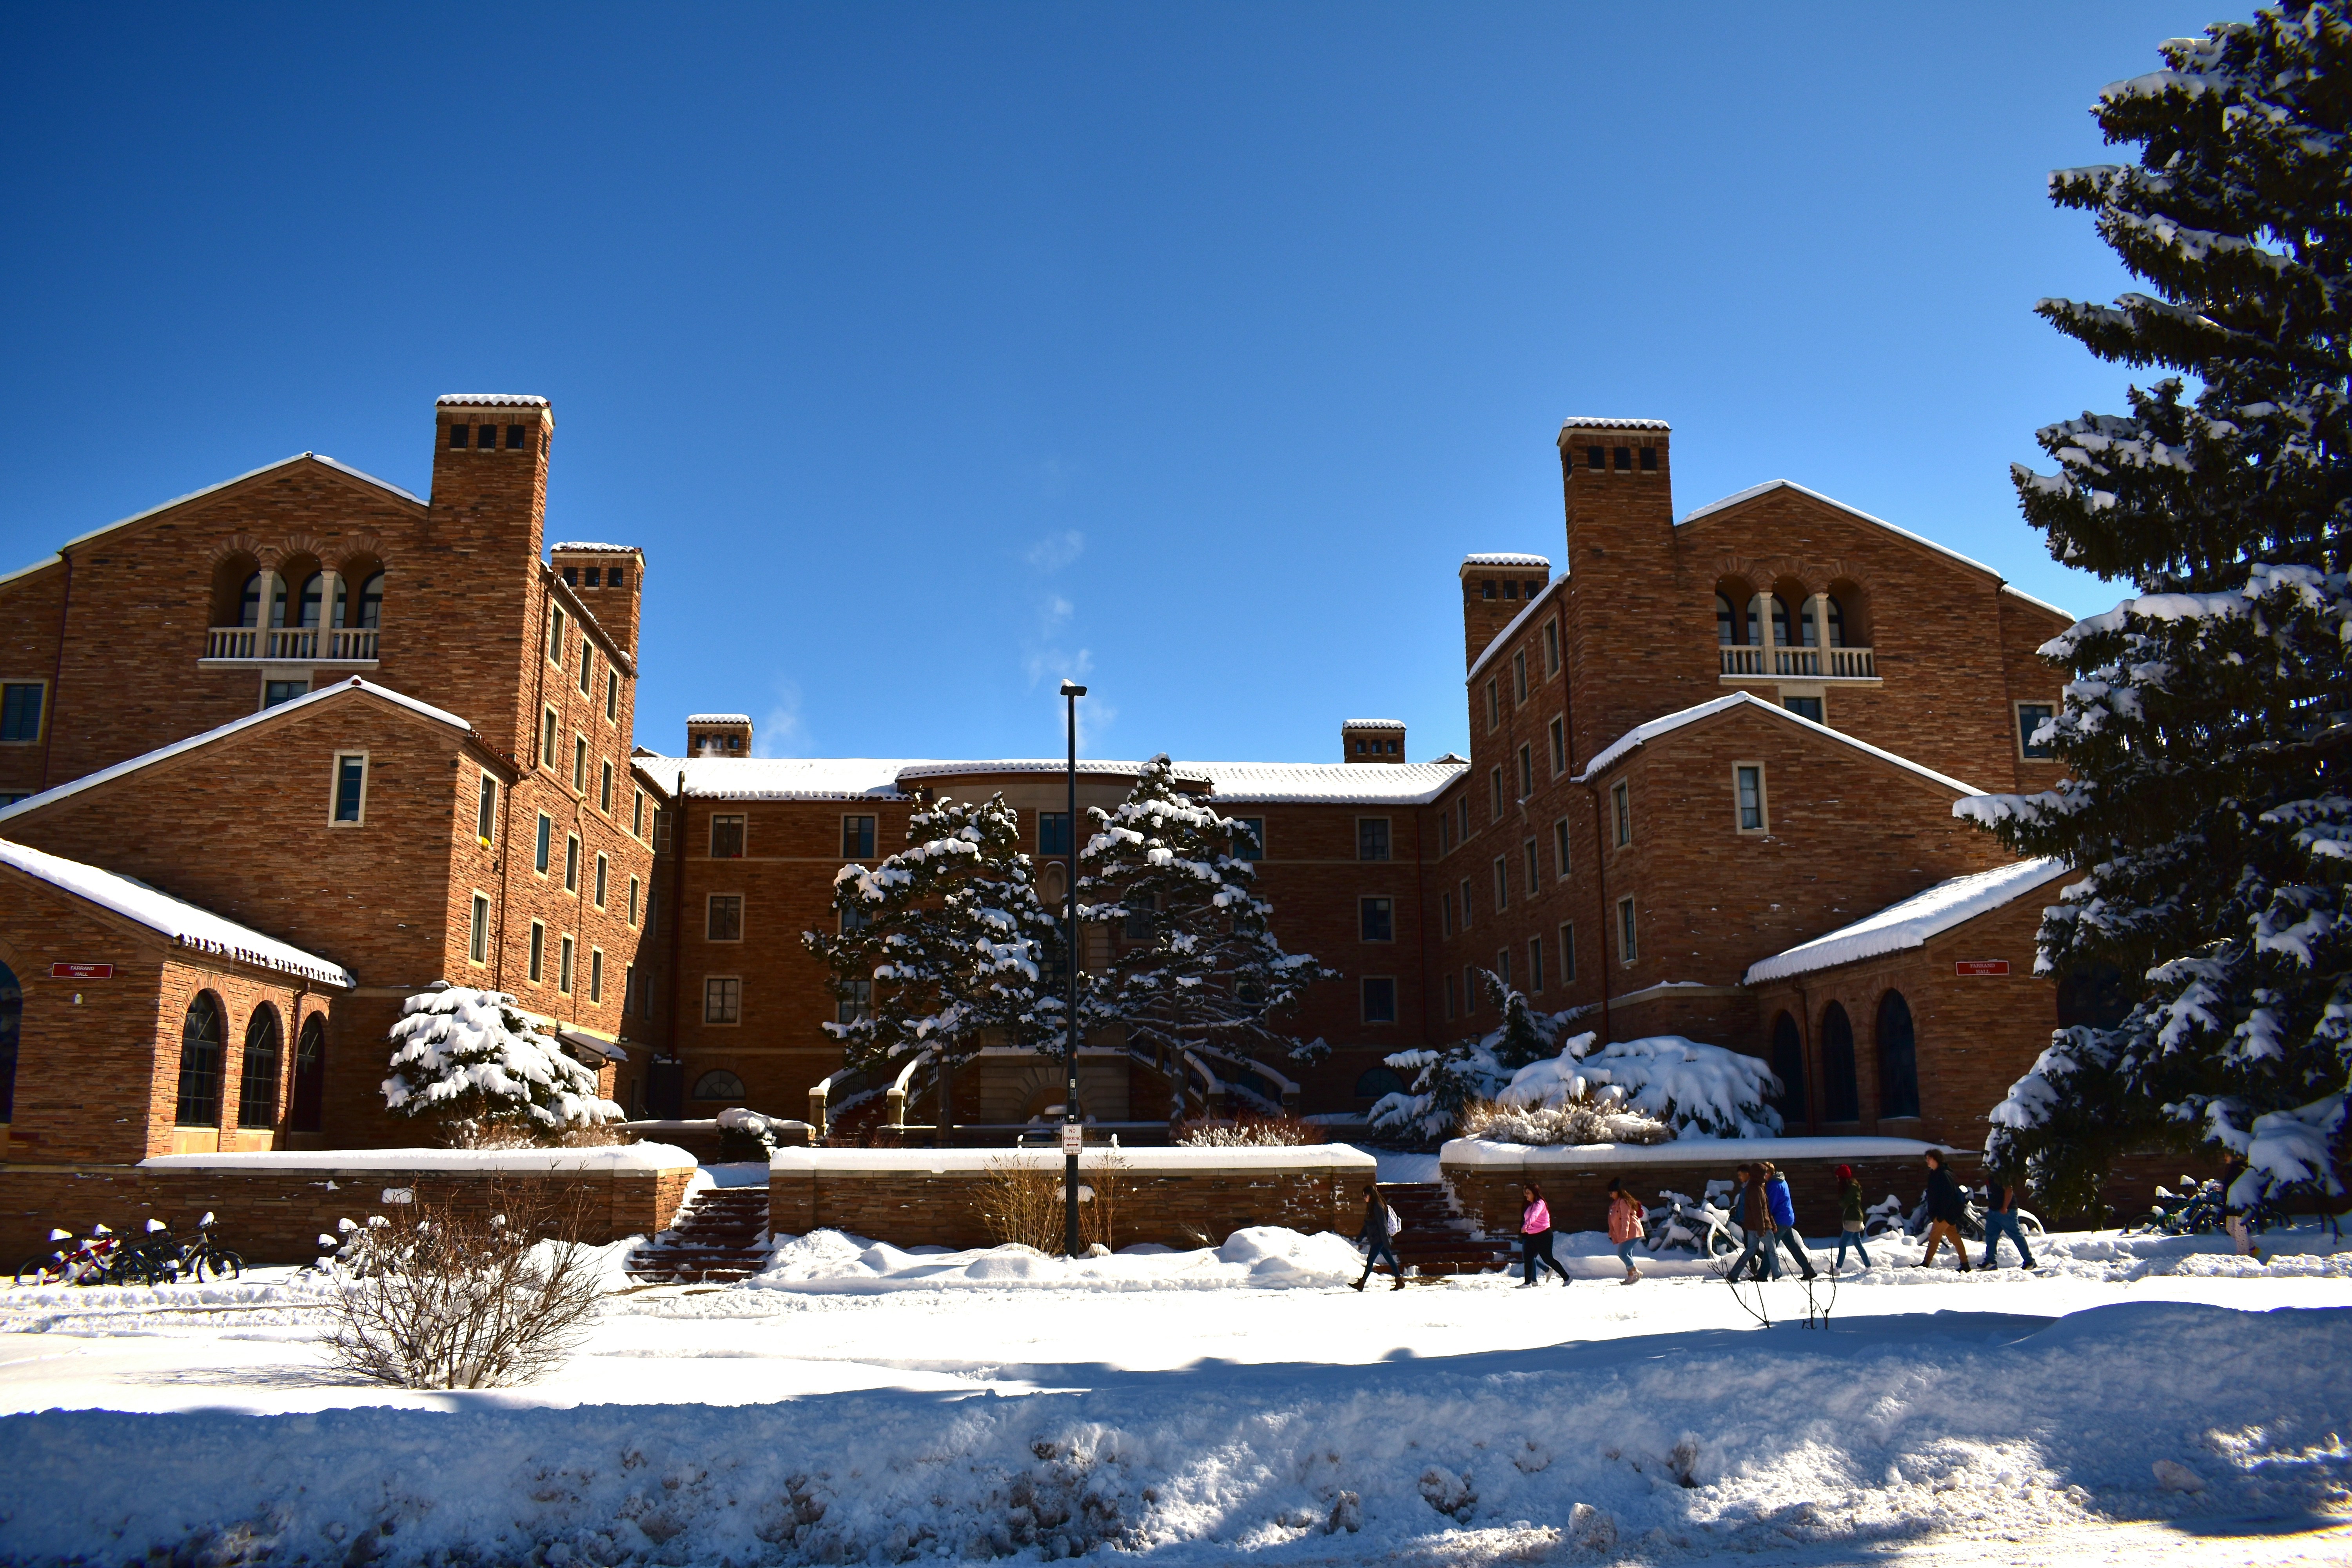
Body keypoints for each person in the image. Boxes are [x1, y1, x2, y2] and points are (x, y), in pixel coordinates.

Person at [1762, 1161, 1818, 1281]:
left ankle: (1762, 1275)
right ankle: (1809, 1271)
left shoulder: (1773, 1185)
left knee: (1770, 1248)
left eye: (1764, 1173)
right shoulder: (1782, 1181)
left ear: (1769, 1173)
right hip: (1787, 1218)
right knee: (1793, 1247)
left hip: (1779, 1220)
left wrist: (1766, 1218)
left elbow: (1770, 1205)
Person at [1918, 1149, 1972, 1272]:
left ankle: (1925, 1264)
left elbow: (1947, 1196)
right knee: (1955, 1238)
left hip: (1945, 1214)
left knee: (1934, 1238)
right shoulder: (1935, 1174)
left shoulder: (1943, 1175)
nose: (1928, 1161)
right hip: (1944, 1214)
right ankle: (1965, 1264)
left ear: (1937, 1159)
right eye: (1927, 1159)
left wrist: (1941, 1214)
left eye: (1930, 1159)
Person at [1730, 1162, 1780, 1283]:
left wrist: (1772, 1224)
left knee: (1750, 1250)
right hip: (1761, 1226)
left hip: (1753, 1226)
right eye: (1765, 1174)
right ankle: (1777, 1274)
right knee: (1772, 1250)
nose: (1766, 1176)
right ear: (1759, 1174)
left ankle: (1733, 1274)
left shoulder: (1756, 1187)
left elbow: (1765, 1208)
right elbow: (1759, 1211)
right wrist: (1762, 1229)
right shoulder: (1756, 1189)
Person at [1980, 1169, 2038, 1270]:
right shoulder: (1991, 1175)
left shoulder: (2001, 1173)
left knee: (2016, 1235)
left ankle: (2030, 1261)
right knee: (1991, 1236)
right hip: (1994, 1211)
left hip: (2006, 1212)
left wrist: (2005, 1207)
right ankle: (1990, 1261)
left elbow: (2009, 1190)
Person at [1352, 1182, 1405, 1292]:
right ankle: (1399, 1281)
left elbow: (1383, 1225)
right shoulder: (1371, 1207)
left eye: (1365, 1196)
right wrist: (1360, 1237)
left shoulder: (1378, 1207)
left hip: (1379, 1238)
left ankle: (1361, 1284)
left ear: (1371, 1195)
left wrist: (1385, 1241)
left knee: (1370, 1260)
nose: (1364, 1198)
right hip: (1376, 1238)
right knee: (1389, 1259)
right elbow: (1367, 1224)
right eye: (1363, 1196)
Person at [1519, 1181, 1572, 1286]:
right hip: (1532, 1235)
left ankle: (1567, 1278)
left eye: (1528, 1193)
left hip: (1544, 1235)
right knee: (1528, 1257)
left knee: (1548, 1259)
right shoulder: (1531, 1205)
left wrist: (1526, 1226)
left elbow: (1534, 1216)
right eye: (1525, 1193)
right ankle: (1528, 1283)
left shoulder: (1540, 1203)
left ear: (1535, 1193)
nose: (1526, 1195)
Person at [1832, 1164, 1872, 1273]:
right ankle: (1869, 1268)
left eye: (1839, 1177)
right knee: (1858, 1244)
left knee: (1842, 1244)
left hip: (1853, 1219)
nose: (1837, 1179)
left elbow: (1844, 1203)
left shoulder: (1851, 1188)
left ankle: (1838, 1269)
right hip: (1855, 1218)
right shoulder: (1853, 1187)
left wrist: (1842, 1200)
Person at [2220, 1152, 2258, 1259]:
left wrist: (2225, 1188)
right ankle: (2252, 1248)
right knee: (2230, 1228)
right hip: (2231, 1203)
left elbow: (2237, 1186)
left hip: (2239, 1203)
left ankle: (2243, 1255)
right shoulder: (2231, 1168)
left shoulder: (2239, 1168)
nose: (2225, 1158)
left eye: (2227, 1155)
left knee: (2239, 1229)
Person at [1606, 1177, 1645, 1282]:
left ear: (1617, 1192)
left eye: (1611, 1193)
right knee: (1628, 1254)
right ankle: (1631, 1277)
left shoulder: (1623, 1202)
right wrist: (1612, 1232)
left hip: (1633, 1231)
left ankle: (1636, 1272)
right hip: (1629, 1232)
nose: (1610, 1195)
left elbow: (1625, 1218)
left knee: (1622, 1254)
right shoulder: (1616, 1204)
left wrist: (1624, 1233)